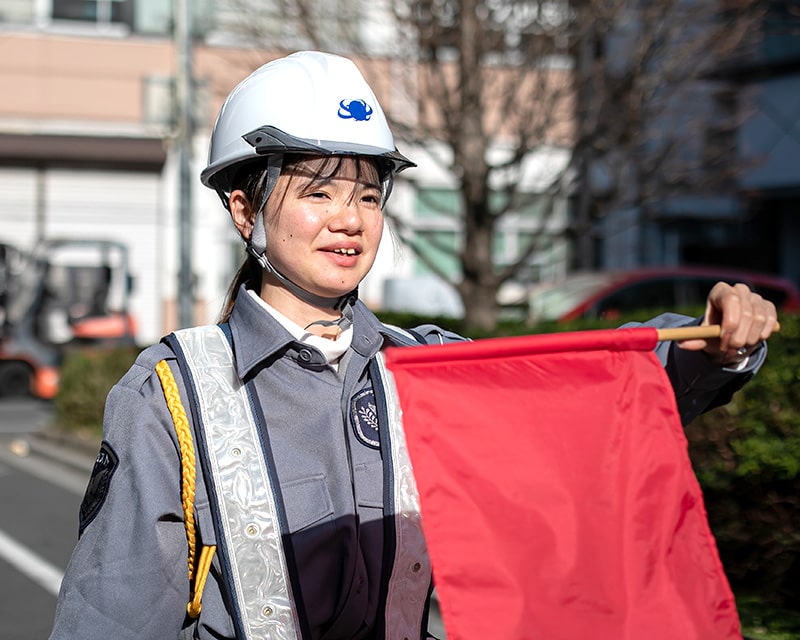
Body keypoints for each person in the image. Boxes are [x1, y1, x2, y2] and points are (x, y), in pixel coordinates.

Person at [49, 51, 779, 640]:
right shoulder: (169, 394)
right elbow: (114, 614)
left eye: (369, 195)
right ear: (245, 208)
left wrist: (707, 346)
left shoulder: (425, 369)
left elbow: (580, 388)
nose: (350, 221)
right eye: (318, 192)